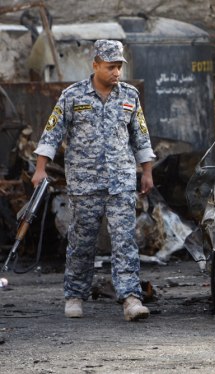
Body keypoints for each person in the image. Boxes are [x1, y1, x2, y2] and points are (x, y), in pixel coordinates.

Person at [31, 39, 156, 321]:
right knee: (81, 241)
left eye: (119, 67)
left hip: (121, 181)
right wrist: (40, 169)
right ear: (96, 64)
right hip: (84, 183)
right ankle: (75, 295)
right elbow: (51, 133)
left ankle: (131, 298)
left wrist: (146, 171)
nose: (116, 73)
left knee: (125, 241)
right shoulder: (72, 96)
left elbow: (141, 135)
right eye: (110, 67)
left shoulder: (130, 96)